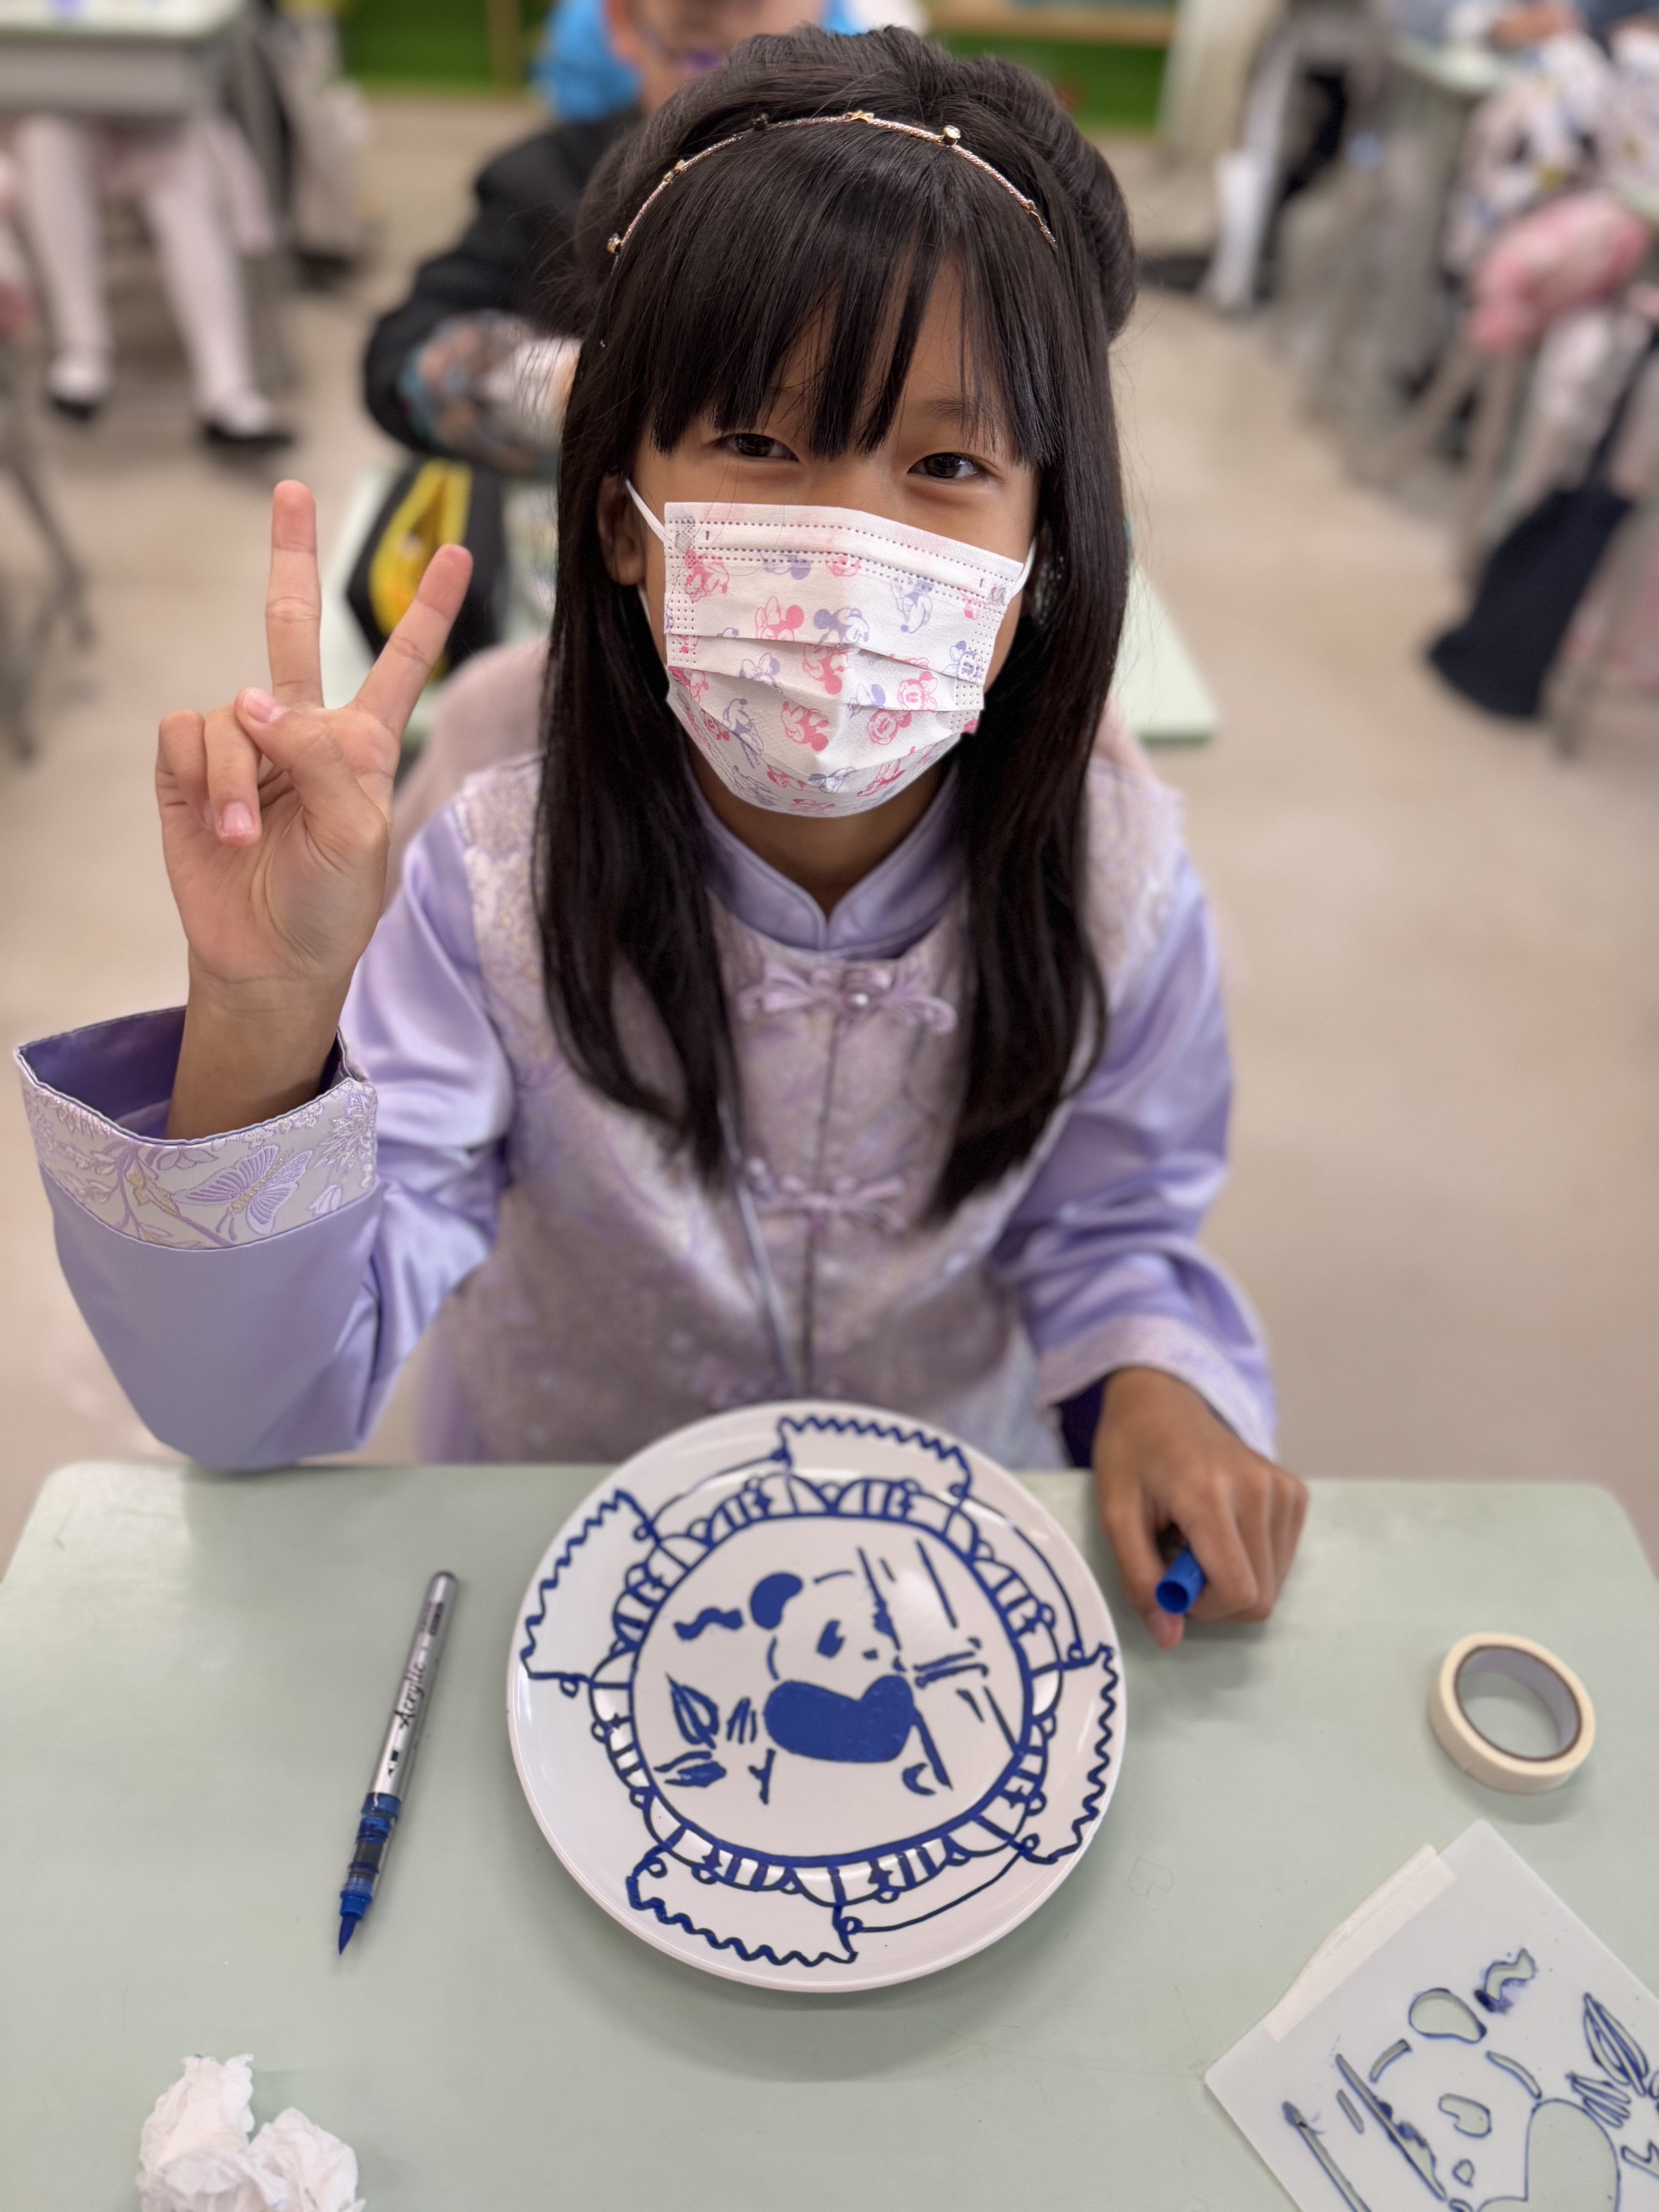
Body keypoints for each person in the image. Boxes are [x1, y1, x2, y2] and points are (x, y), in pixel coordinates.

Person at [17, 28, 1307, 1650]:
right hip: (555, 1559)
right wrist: (262, 1022)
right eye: (760, 444)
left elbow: (1113, 1217)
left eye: (946, 464)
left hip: (923, 1568)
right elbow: (253, 1401)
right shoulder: (493, 858)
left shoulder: (1116, 877)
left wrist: (1152, 1383)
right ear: (622, 516)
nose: (847, 536)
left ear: (1044, 548)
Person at [363, 0, 877, 475]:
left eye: (767, 64)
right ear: (625, 23)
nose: (736, 101)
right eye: (698, 59)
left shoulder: (874, 185)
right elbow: (398, 358)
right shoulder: (541, 184)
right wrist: (578, 390)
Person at [11, 115, 291, 448]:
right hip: (50, 131)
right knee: (47, 138)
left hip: (161, 124)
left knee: (188, 170)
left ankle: (226, 387)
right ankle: (83, 349)